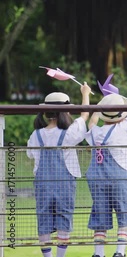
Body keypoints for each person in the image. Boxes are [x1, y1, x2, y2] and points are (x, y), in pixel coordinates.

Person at [27, 83, 91, 257]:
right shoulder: (70, 132)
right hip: (65, 183)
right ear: (66, 112)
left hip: (43, 183)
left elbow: (31, 155)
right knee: (64, 217)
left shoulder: (36, 134)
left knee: (44, 218)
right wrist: (85, 93)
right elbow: (85, 114)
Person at [85, 94, 127, 257]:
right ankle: (119, 252)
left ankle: (99, 253)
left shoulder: (96, 133)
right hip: (118, 177)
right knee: (124, 212)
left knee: (100, 215)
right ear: (120, 115)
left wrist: (99, 105)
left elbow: (91, 122)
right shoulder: (123, 129)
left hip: (97, 179)